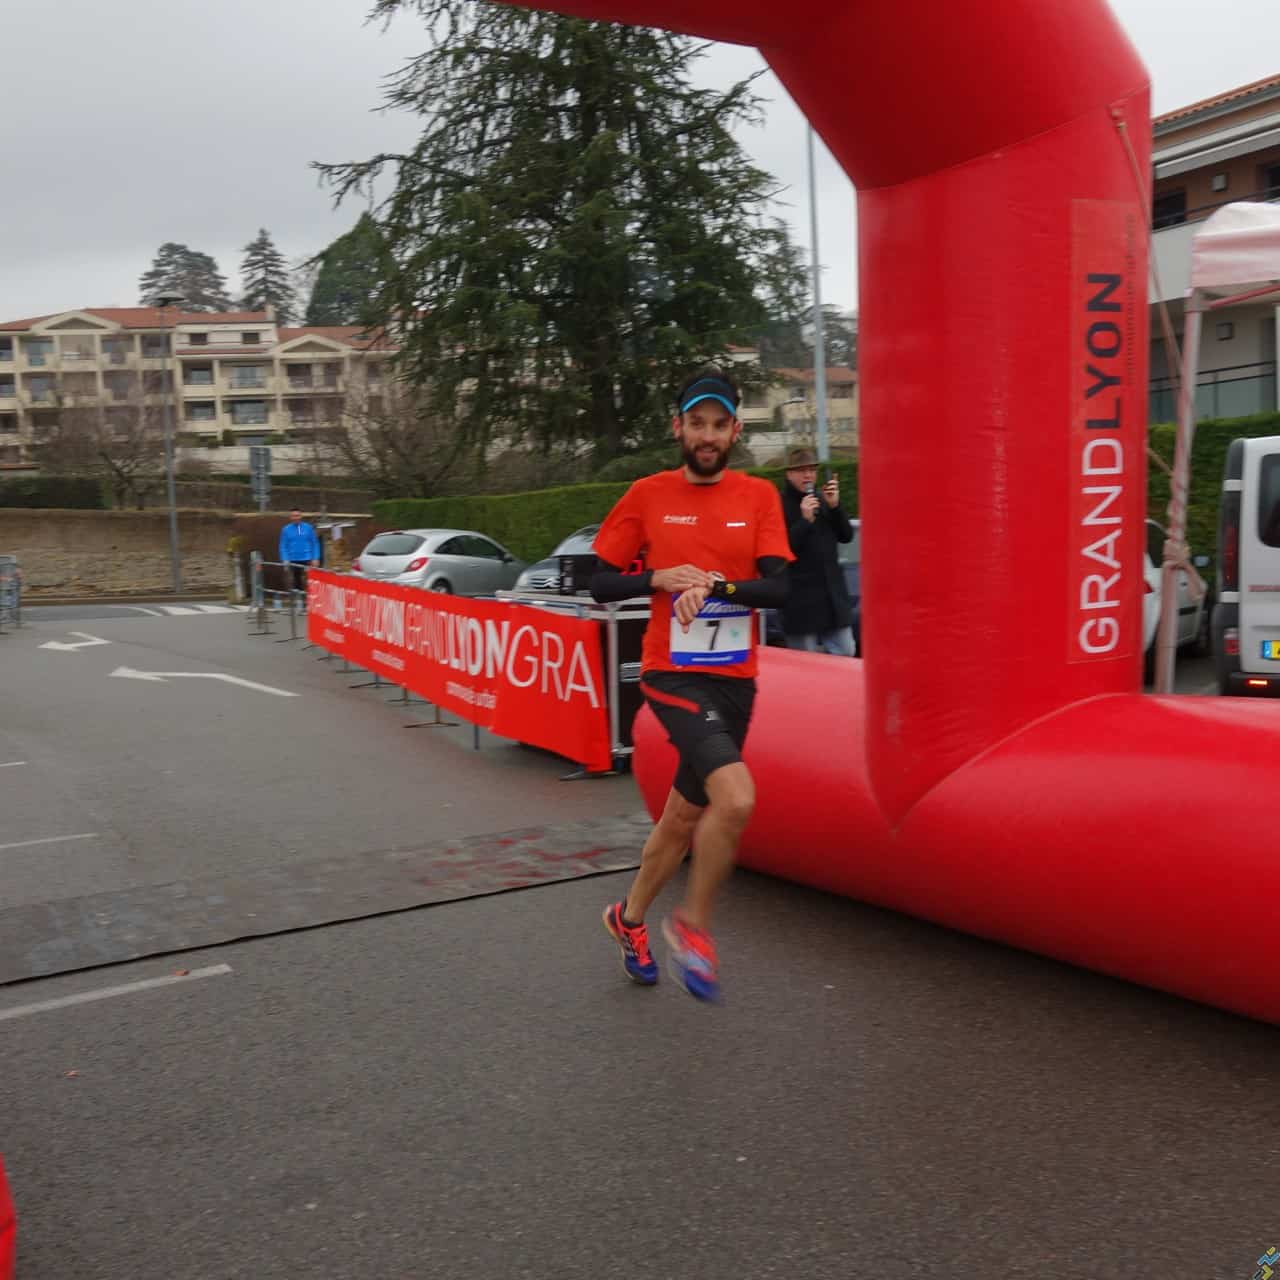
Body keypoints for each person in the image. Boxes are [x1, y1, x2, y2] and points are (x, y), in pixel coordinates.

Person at [591, 367, 792, 1001]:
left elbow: (778, 586)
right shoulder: (647, 494)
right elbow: (593, 580)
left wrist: (714, 587)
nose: (707, 436)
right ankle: (694, 929)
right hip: (671, 674)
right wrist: (658, 578)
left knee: (683, 816)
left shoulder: (757, 497)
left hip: (737, 682)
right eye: (696, 423)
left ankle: (626, 920)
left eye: (719, 424)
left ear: (735, 429)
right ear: (678, 427)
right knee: (734, 798)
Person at [778, 447, 857, 656]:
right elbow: (779, 551)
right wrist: (804, 522)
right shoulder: (779, 504)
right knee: (805, 664)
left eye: (812, 470)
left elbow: (846, 536)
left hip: (832, 598)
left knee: (847, 652)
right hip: (800, 602)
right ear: (789, 473)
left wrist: (835, 507)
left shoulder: (823, 500)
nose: (808, 475)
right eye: (801, 470)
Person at [278, 509, 321, 596]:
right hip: (293, 559)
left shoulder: (308, 528)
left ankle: (310, 600)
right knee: (295, 581)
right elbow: (283, 545)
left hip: (307, 559)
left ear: (301, 516)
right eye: (293, 516)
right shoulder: (285, 529)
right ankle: (298, 601)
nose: (295, 518)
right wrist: (285, 559)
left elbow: (315, 543)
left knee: (309, 580)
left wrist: (315, 557)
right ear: (290, 517)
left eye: (297, 515)